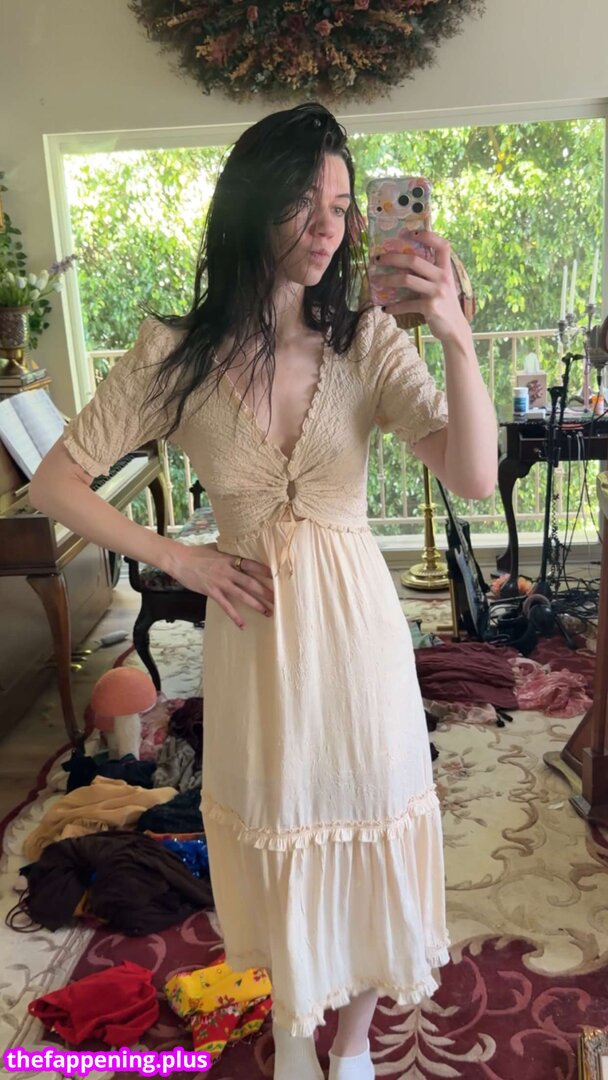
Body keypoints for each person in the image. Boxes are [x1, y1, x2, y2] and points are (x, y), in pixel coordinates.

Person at [31, 103, 497, 1079]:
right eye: (304, 202)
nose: (330, 226)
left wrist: (455, 336)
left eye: (342, 204)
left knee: (370, 817)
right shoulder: (174, 354)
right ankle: (292, 1028)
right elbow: (56, 482)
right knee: (276, 825)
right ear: (252, 204)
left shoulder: (368, 342)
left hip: (358, 633)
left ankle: (354, 1042)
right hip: (254, 635)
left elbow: (472, 476)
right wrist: (180, 557)